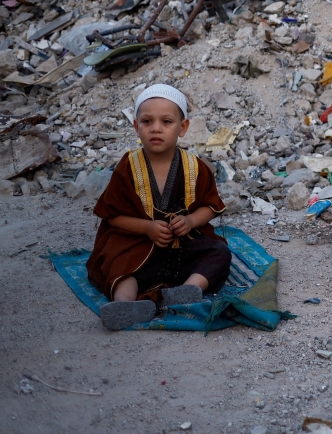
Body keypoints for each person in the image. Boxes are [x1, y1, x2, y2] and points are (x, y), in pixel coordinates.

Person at [87, 84, 230, 330]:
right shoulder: (128, 167)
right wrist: (147, 228)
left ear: (183, 127)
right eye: (147, 121)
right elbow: (112, 217)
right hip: (140, 247)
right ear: (136, 126)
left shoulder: (195, 166)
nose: (156, 128)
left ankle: (188, 290)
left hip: (184, 245)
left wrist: (190, 222)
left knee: (219, 252)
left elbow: (210, 206)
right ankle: (126, 304)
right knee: (118, 261)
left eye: (166, 122)